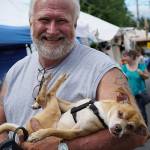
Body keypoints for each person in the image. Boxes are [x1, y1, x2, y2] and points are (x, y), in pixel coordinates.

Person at [0, 0, 148, 149]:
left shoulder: (103, 69)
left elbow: (136, 135)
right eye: (44, 19)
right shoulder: (14, 71)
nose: (52, 30)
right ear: (31, 22)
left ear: (75, 24)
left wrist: (62, 147)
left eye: (61, 20)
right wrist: (5, 143)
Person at [121, 50, 150, 124]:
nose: (123, 58)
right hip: (130, 95)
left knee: (142, 113)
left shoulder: (140, 65)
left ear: (131, 56)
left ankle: (144, 129)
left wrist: (142, 74)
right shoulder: (124, 67)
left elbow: (147, 76)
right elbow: (121, 79)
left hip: (140, 94)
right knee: (132, 113)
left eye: (125, 56)